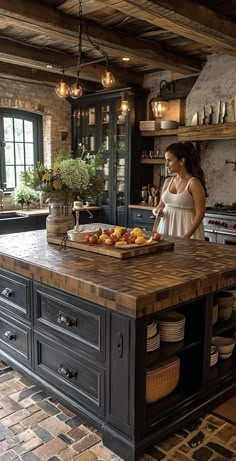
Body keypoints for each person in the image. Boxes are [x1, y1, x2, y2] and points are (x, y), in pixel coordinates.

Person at [153, 142, 207, 239]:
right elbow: (160, 206)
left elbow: (200, 214)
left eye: (169, 160)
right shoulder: (167, 181)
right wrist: (157, 211)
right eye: (166, 160)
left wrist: (186, 236)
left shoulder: (194, 183)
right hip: (165, 230)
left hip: (187, 232)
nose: (166, 164)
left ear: (181, 161)